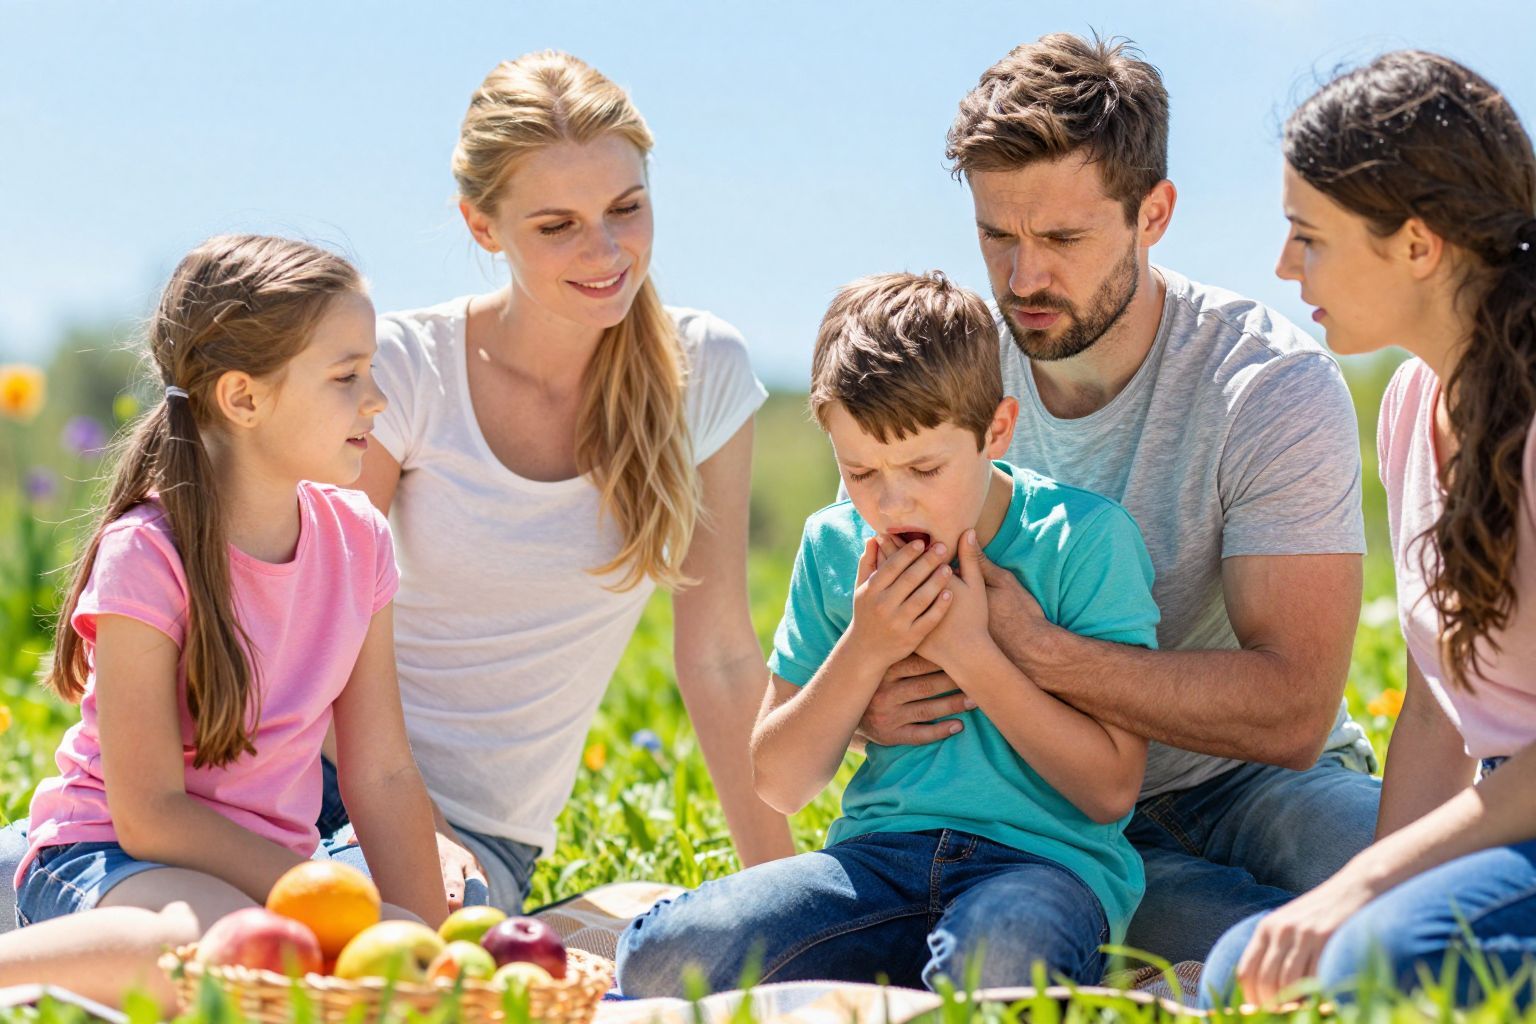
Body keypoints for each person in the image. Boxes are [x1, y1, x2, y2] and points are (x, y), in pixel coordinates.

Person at [855, 33, 1382, 964]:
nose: (1023, 280)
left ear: (1154, 213)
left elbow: (1293, 710)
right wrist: (869, 700)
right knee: (1292, 962)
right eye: (996, 235)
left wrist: (1038, 650)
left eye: (1062, 238)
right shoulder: (944, 383)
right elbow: (876, 632)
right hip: (1053, 821)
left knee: (1467, 894)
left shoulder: (1267, 385)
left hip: (1264, 784)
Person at [323, 50, 792, 909]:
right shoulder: (403, 367)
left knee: (356, 959)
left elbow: (721, 657)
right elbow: (322, 627)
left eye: (627, 208)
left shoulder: (704, 371)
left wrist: (788, 901)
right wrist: (404, 820)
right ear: (482, 226)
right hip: (300, 774)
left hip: (478, 833)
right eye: (557, 226)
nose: (605, 250)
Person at [615, 271, 1161, 995]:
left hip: (1043, 870)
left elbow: (1110, 790)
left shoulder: (1083, 540)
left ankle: (923, 985)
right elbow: (779, 781)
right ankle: (909, 984)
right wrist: (865, 646)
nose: (891, 500)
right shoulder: (834, 544)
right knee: (660, 954)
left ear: (996, 430)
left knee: (996, 964)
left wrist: (971, 653)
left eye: (924, 468)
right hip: (875, 866)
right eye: (860, 471)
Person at [0, 235, 447, 1010]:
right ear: (243, 399)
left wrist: (429, 953)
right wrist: (308, 896)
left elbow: (380, 773)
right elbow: (148, 817)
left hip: (260, 881)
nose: (375, 400)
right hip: (107, 860)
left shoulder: (359, 541)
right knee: (215, 957)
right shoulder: (147, 552)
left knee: (381, 965)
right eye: (346, 377)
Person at [1200, 51, 1536, 1008]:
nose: (1281, 264)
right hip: (1507, 809)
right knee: (1249, 968)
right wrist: (1364, 892)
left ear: (1418, 245)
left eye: (1308, 235)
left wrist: (1361, 891)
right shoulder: (1409, 405)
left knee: (1373, 965)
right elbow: (1436, 704)